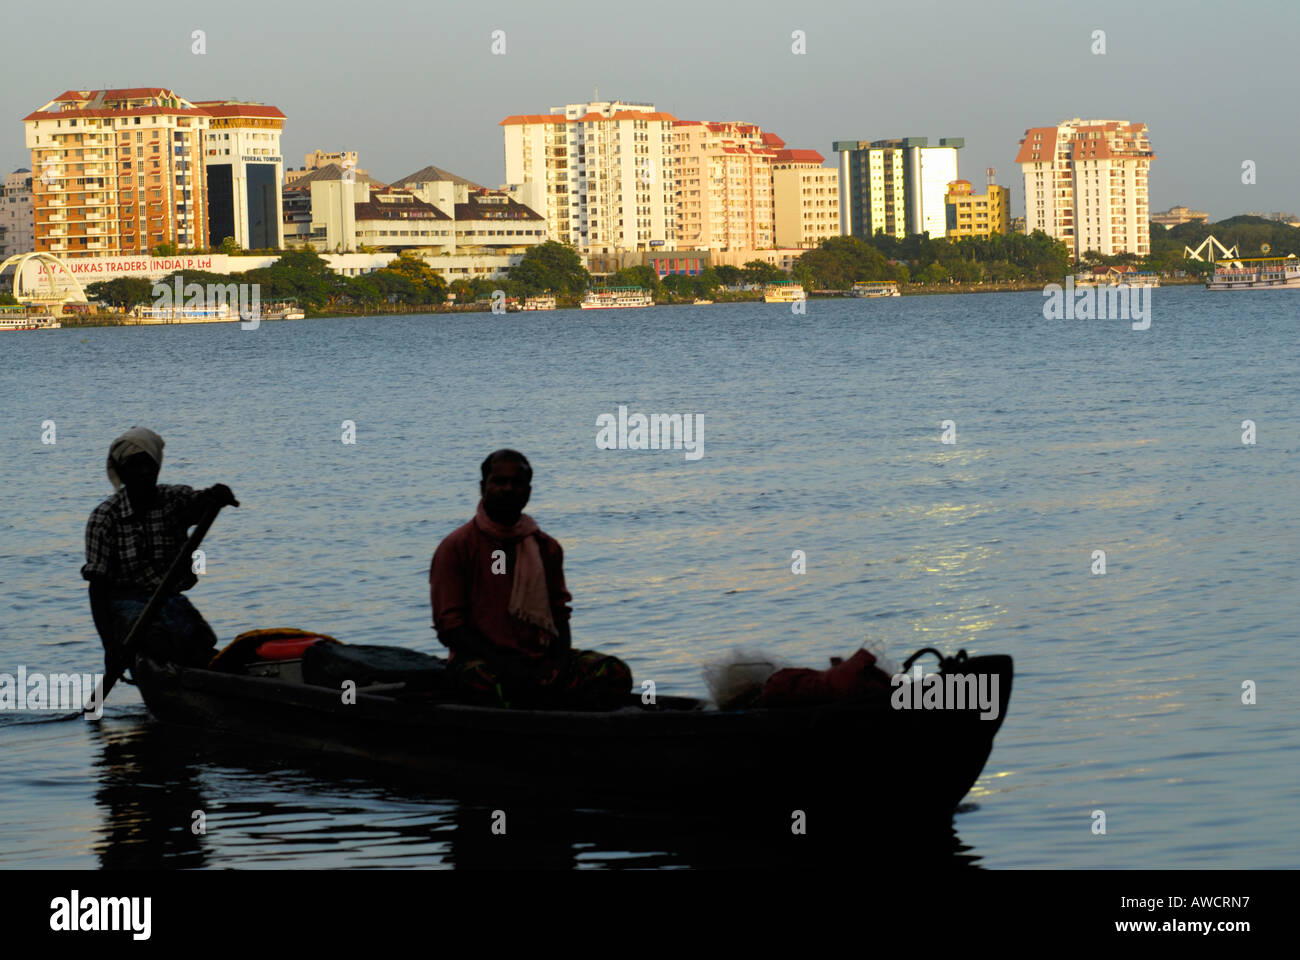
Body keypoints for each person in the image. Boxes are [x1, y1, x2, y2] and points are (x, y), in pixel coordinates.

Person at [429, 449, 632, 709]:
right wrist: (503, 662)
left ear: (528, 490)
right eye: (499, 482)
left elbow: (559, 615)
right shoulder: (456, 547)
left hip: (539, 660)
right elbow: (450, 627)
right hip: (483, 661)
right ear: (483, 488)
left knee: (614, 673)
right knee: (486, 684)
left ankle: (553, 708)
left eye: (517, 483)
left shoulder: (546, 548)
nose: (508, 489)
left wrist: (556, 666)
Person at [83, 427, 239, 672]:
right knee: (155, 643)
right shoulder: (104, 518)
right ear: (123, 472)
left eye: (150, 465)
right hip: (127, 607)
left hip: (169, 599)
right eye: (136, 466)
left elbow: (197, 504)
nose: (145, 473)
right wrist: (111, 648)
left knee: (203, 643)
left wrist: (215, 495)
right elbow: (98, 589)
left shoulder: (172, 499)